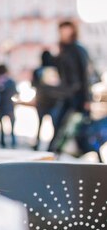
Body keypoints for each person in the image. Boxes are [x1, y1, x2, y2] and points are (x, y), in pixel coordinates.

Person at [48, 21, 92, 153]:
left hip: (78, 95)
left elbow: (85, 74)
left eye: (67, 30)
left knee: (79, 127)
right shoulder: (63, 50)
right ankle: (53, 152)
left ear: (73, 31)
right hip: (65, 94)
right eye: (62, 30)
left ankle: (54, 151)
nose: (64, 33)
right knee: (58, 122)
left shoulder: (78, 49)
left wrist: (87, 99)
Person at [30, 49, 64, 150]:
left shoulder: (37, 71)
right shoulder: (56, 70)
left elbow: (33, 85)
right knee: (55, 125)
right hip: (54, 101)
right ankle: (52, 146)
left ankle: (37, 144)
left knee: (39, 124)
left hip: (41, 101)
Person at [0, 64, 18, 148]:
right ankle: (13, 142)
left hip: (1, 106)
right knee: (12, 125)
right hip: (9, 106)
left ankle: (2, 142)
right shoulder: (11, 81)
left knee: (1, 126)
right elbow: (16, 93)